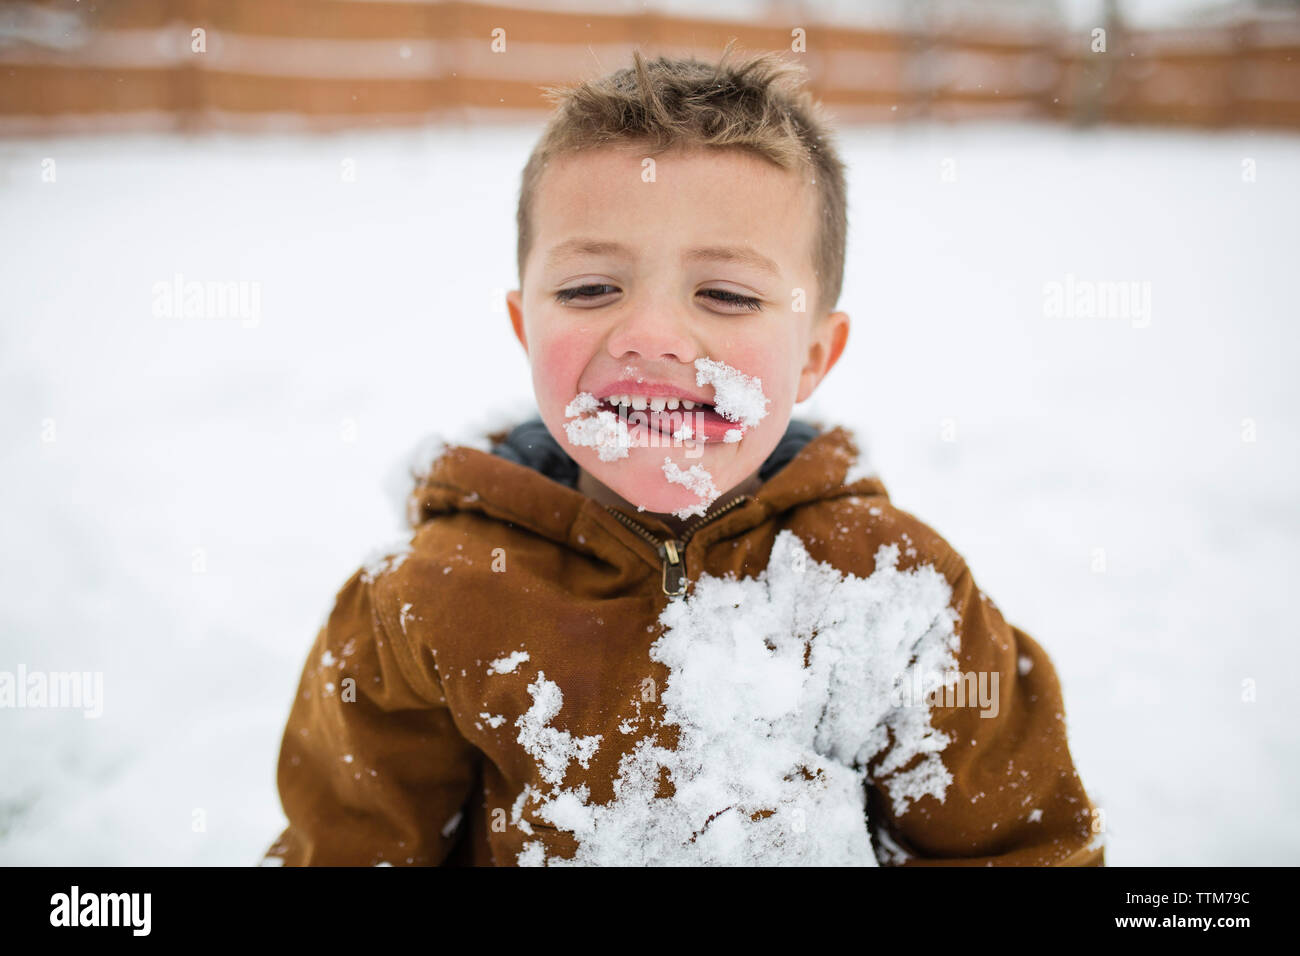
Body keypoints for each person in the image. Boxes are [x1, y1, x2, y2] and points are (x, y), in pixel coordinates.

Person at [262, 44, 1102, 866]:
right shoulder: (425, 601)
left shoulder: (896, 593)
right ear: (526, 328)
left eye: (727, 295)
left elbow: (1021, 848)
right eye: (591, 288)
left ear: (814, 355)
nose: (652, 338)